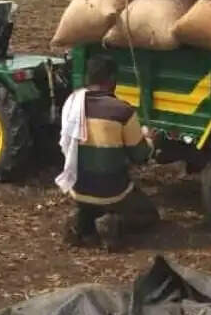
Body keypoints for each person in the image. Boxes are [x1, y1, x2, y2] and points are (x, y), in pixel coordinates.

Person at [58, 54, 159, 251]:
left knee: (90, 201)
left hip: (78, 188)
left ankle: (83, 223)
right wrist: (150, 141)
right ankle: (113, 223)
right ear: (112, 80)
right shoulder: (121, 111)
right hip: (113, 191)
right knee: (150, 215)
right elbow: (140, 156)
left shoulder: (72, 103)